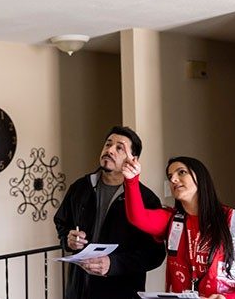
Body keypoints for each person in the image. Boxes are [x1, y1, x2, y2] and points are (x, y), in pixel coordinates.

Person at [122, 153, 235, 299]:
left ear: (200, 178)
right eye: (170, 176)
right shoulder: (172, 220)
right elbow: (137, 217)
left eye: (181, 172)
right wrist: (131, 180)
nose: (173, 179)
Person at [54, 126, 166, 299]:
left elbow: (154, 254)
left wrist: (114, 264)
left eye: (119, 147)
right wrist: (68, 240)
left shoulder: (146, 199)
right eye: (108, 144)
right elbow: (62, 223)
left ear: (133, 159)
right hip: (78, 290)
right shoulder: (80, 187)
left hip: (121, 292)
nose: (110, 150)